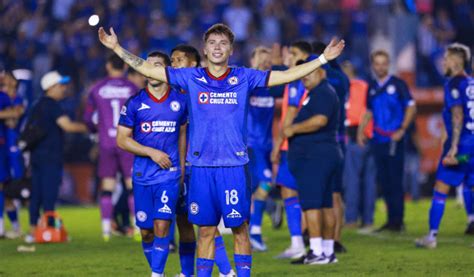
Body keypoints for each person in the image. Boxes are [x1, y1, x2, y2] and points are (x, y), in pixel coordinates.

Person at [98, 23, 344, 276]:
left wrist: (323, 58)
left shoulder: (244, 77)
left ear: (231, 50)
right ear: (205, 49)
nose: (217, 47)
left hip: (234, 167)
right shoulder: (191, 77)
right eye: (213, 43)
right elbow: (148, 68)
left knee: (240, 229)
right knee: (205, 231)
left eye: (223, 43)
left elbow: (286, 76)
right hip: (202, 169)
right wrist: (116, 47)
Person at [117, 51, 188, 277]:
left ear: (166, 70)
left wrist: (183, 168)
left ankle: (156, 274)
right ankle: (157, 271)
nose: (152, 69)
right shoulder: (135, 102)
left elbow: (183, 135)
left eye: (158, 65)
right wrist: (151, 152)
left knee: (162, 227)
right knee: (146, 232)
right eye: (149, 65)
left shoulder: (180, 101)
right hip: (142, 175)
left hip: (169, 174)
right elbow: (122, 139)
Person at [170, 44, 235, 277]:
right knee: (183, 220)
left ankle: (227, 272)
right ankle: (187, 273)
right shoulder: (173, 96)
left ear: (194, 65)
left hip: (197, 166)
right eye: (172, 60)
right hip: (177, 165)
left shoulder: (201, 93)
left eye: (179, 60)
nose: (174, 64)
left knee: (204, 222)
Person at [284, 56, 342, 265]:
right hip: (322, 155)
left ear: (321, 72)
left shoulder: (322, 92)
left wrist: (293, 128)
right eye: (303, 73)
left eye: (309, 72)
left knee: (311, 205)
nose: (305, 77)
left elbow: (320, 120)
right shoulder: (316, 93)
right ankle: (327, 252)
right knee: (325, 204)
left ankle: (317, 251)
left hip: (315, 157)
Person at [416, 43, 474, 248]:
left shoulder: (453, 84)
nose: (443, 61)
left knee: (440, 188)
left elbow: (457, 116)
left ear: (456, 62)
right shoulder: (472, 83)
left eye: (447, 58)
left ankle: (431, 237)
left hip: (462, 146)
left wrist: (454, 147)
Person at [357, 50, 416, 232]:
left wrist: (402, 129)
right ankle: (392, 220)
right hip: (377, 139)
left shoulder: (398, 84)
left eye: (383, 63)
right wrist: (361, 131)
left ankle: (397, 220)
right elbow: (368, 111)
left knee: (395, 180)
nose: (380, 67)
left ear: (388, 64)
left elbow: (411, 107)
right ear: (373, 65)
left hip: (393, 140)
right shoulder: (372, 86)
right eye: (377, 63)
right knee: (383, 181)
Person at [26, 71, 88, 243]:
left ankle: (32, 231)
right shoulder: (52, 105)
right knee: (49, 194)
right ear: (51, 87)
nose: (64, 88)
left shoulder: (36, 105)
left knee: (36, 194)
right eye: (61, 85)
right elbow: (67, 126)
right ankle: (49, 230)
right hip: (50, 156)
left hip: (36, 156)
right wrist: (91, 128)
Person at [83, 54, 139, 241]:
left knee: (107, 186)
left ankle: (106, 231)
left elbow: (88, 119)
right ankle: (137, 228)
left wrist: (97, 129)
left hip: (107, 142)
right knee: (132, 186)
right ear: (124, 66)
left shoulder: (97, 89)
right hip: (128, 142)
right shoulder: (132, 88)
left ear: (108, 66)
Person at [271, 41, 312, 260]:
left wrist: (278, 144)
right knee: (291, 192)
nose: (288, 57)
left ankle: (303, 242)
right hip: (299, 145)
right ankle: (301, 241)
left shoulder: (297, 80)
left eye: (292, 53)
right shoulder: (299, 79)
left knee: (294, 192)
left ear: (302, 56)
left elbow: (290, 115)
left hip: (293, 145)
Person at [312, 41, 350, 253]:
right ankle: (335, 238)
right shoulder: (343, 78)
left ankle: (326, 239)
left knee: (327, 193)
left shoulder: (323, 76)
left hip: (325, 140)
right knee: (335, 193)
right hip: (340, 139)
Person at [340, 61, 376, 232]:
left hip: (356, 137)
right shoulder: (365, 85)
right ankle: (368, 219)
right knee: (368, 181)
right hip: (369, 137)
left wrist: (360, 133)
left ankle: (352, 218)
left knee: (352, 180)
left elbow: (361, 113)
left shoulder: (352, 87)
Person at [247, 46, 274, 252]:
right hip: (249, 145)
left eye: (268, 60)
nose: (265, 63)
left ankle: (253, 231)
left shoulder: (272, 87)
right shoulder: (247, 85)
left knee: (261, 188)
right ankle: (253, 232)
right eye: (261, 59)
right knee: (262, 185)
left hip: (265, 146)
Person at [2, 71, 26, 239]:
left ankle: (22, 226)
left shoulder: (18, 99)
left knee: (15, 188)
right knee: (4, 188)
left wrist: (9, 114)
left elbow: (15, 117)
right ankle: (7, 227)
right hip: (4, 146)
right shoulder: (3, 98)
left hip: (14, 146)